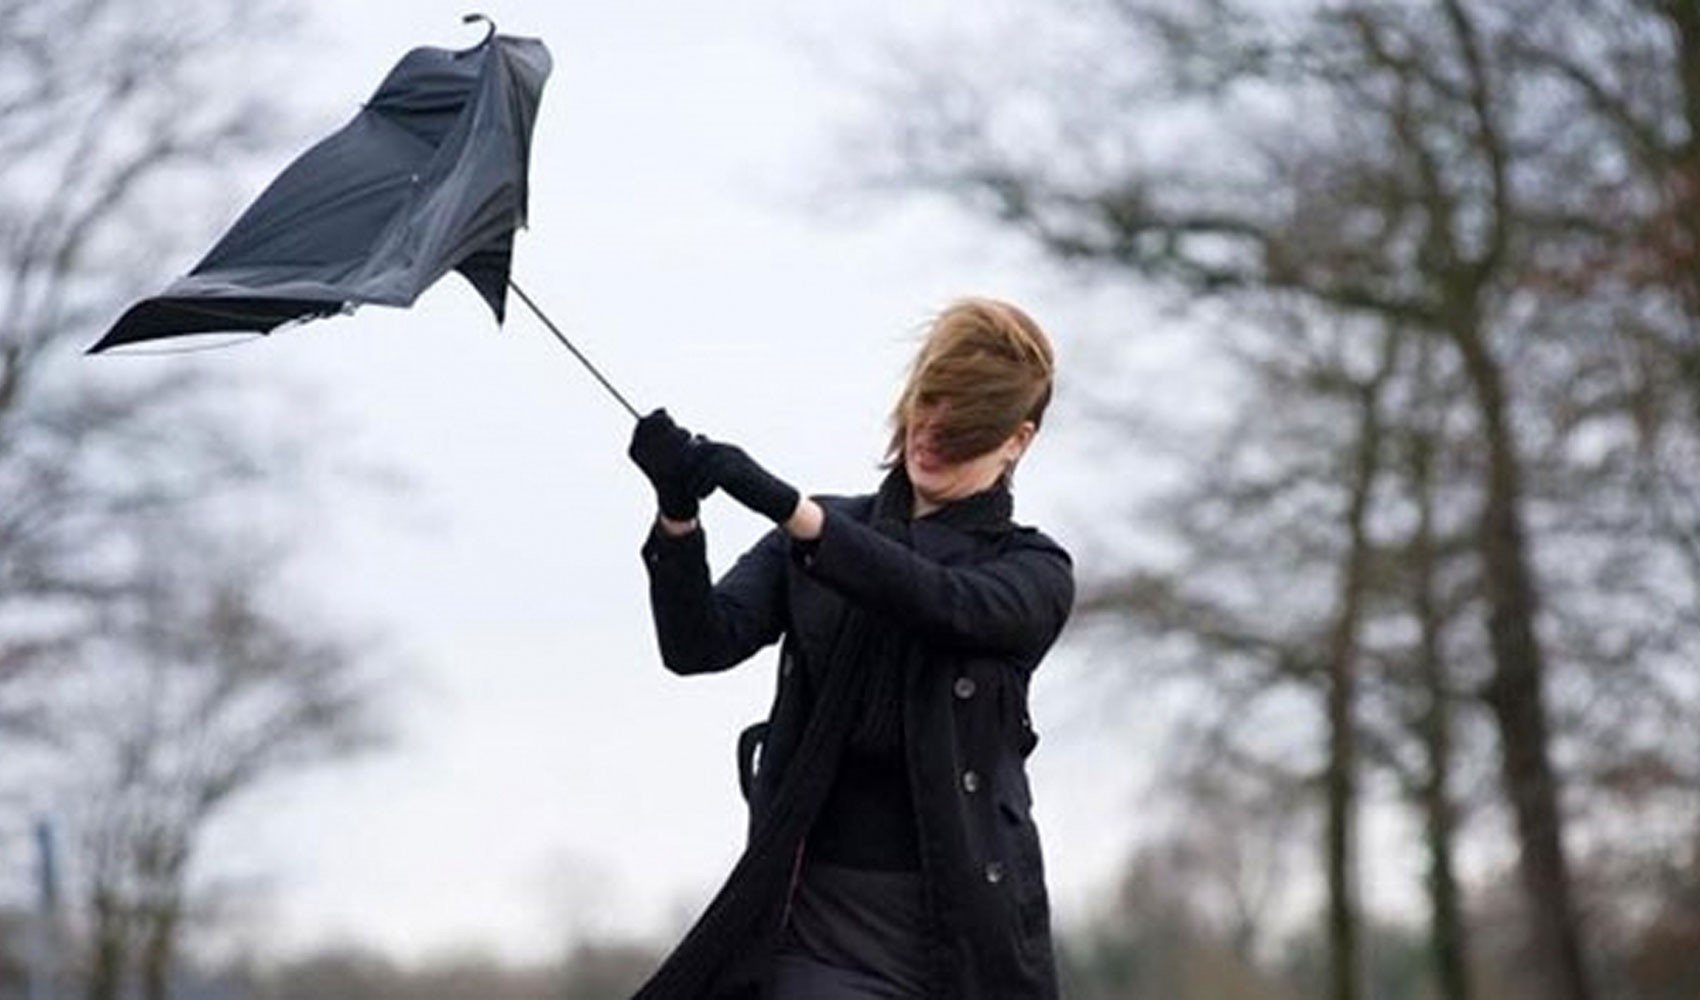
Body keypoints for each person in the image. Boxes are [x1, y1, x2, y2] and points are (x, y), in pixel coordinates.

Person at [626, 298, 1074, 1000]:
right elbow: (699, 644)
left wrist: (794, 513)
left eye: (962, 429)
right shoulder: (821, 532)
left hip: (964, 934)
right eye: (928, 405)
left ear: (1016, 441)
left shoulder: (1033, 572)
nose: (932, 435)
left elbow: (943, 602)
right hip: (816, 920)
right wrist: (677, 518)